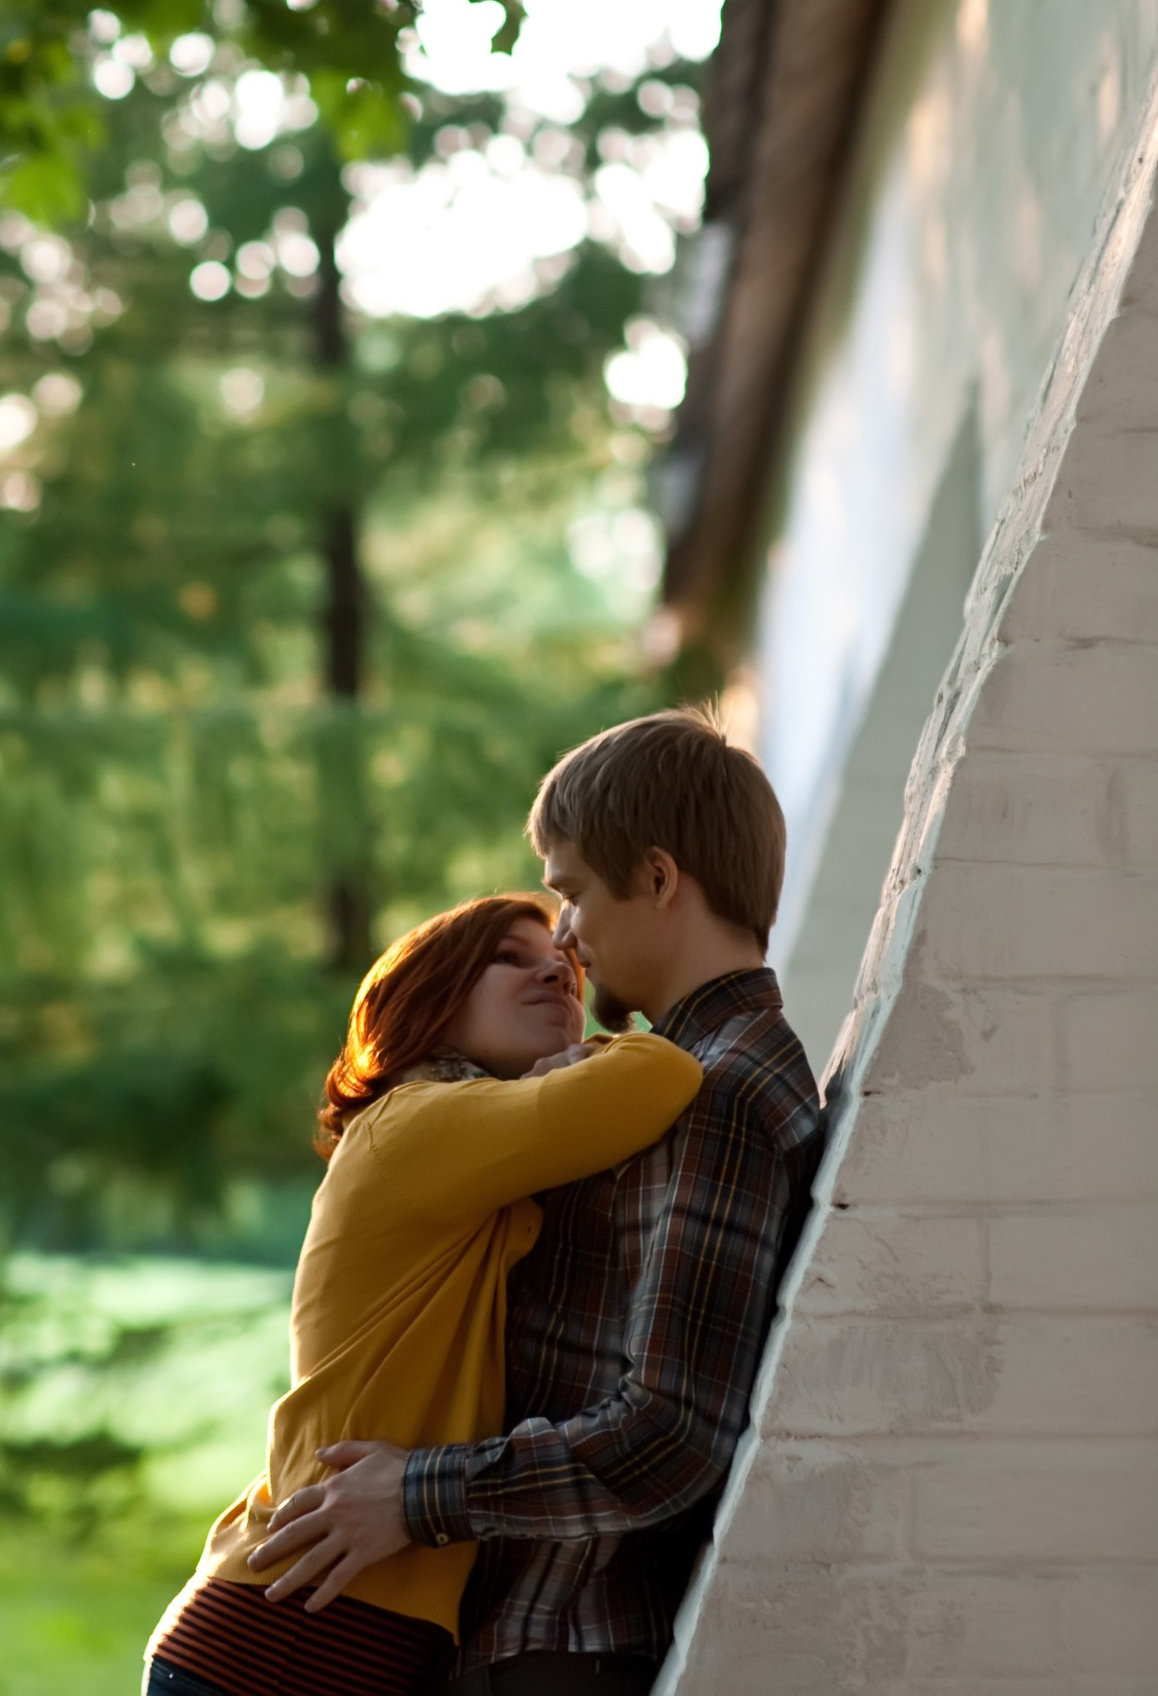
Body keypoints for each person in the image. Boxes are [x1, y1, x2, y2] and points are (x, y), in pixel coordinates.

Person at [249, 709, 825, 1696]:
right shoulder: (666, 1079)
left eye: (572, 892)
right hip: (534, 1631)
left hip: (563, 1638)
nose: (564, 934)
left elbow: (668, 1432)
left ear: (658, 878)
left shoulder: (714, 1091)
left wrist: (416, 1494)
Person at [143, 892, 706, 1696]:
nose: (557, 971)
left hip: (333, 1633)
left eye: (567, 967)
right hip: (290, 1642)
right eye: (510, 958)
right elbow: (662, 1072)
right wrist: (591, 1056)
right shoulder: (415, 1124)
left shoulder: (474, 1157)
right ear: (429, 1001)